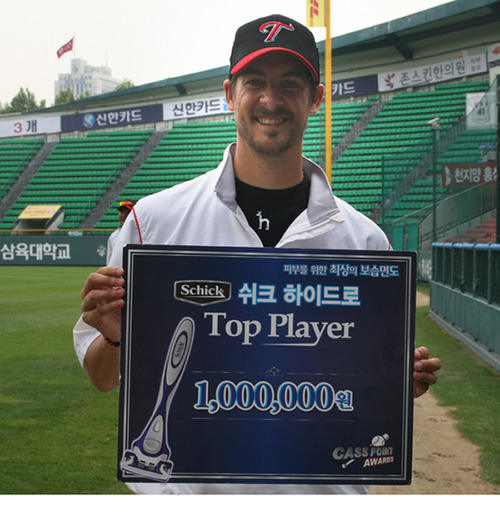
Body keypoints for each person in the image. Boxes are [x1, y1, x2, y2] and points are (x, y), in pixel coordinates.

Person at [74, 14, 441, 494]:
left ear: (316, 98)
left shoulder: (365, 241)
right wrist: (118, 339)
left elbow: (366, 389)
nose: (271, 100)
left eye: (290, 84)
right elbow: (103, 378)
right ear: (230, 94)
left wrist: (390, 381)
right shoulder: (153, 221)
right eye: (255, 83)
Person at [106, 200, 134, 265]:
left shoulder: (140, 233)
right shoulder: (113, 236)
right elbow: (109, 261)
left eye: (127, 212)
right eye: (121, 212)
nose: (123, 215)